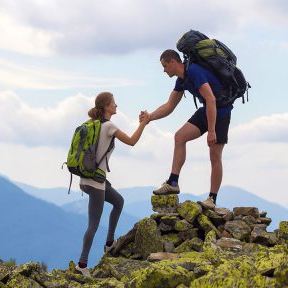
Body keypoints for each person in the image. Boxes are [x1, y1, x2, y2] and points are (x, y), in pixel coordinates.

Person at [140, 49, 233, 210]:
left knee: (214, 156)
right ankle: (173, 182)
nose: (164, 70)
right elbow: (169, 106)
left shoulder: (194, 71)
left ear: (173, 62)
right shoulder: (182, 80)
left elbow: (211, 99)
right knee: (179, 137)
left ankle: (212, 199)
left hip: (221, 112)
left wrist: (211, 131)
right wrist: (150, 117)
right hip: (207, 110)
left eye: (164, 66)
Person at [76, 92, 150, 277]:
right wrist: (143, 123)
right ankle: (82, 265)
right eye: (114, 103)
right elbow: (132, 141)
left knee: (118, 201)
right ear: (107, 107)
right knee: (93, 224)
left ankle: (109, 244)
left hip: (87, 179)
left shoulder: (92, 124)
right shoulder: (108, 126)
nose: (116, 105)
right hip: (95, 183)